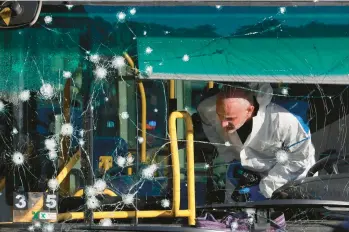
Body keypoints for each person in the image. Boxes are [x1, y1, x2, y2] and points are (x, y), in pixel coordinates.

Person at [197, 83, 316, 201]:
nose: (223, 123)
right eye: (220, 115)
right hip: (245, 177)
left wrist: (264, 189)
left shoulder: (283, 118)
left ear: (250, 110)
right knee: (236, 218)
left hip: (290, 180)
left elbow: (299, 159)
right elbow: (210, 128)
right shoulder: (208, 109)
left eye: (229, 118)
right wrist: (230, 157)